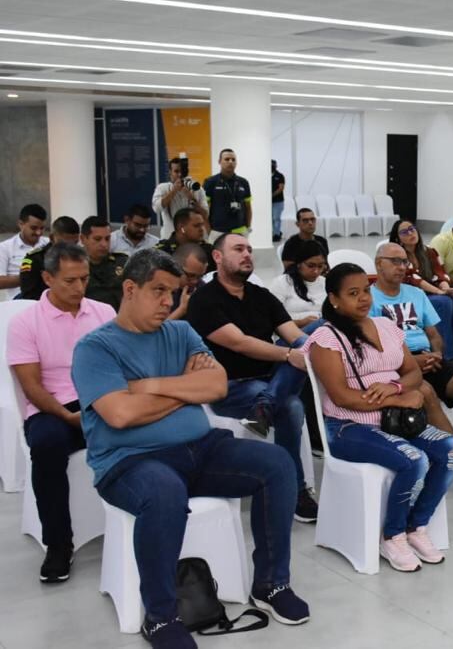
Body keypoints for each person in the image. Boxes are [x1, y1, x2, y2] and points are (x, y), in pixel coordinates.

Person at [71, 249, 310, 647]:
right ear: (129, 289)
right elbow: (120, 414)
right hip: (129, 463)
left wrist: (148, 386)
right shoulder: (96, 348)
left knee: (277, 463)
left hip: (201, 448)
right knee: (164, 490)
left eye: (174, 291)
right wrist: (185, 388)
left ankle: (271, 584)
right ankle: (161, 617)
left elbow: (215, 386)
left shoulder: (181, 333)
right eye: (159, 291)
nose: (169, 301)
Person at [305, 263, 453, 571]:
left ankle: (416, 526)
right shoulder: (327, 338)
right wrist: (402, 398)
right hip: (349, 427)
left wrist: (397, 387)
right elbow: (342, 396)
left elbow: (413, 372)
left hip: (395, 420)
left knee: (452, 451)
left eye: (366, 290)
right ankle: (392, 535)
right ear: (334, 299)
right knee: (414, 460)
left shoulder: (386, 326)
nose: (364, 298)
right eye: (353, 293)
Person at [186, 233, 319, 522]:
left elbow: (294, 335)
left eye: (249, 249)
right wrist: (289, 355)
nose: (247, 254)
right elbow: (239, 342)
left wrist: (310, 348)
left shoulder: (261, 296)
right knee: (292, 405)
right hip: (229, 387)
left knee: (314, 334)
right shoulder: (204, 300)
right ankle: (296, 491)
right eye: (238, 249)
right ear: (218, 257)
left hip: (269, 380)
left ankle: (265, 406)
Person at [7, 243, 116, 583]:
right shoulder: (25, 323)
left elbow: (120, 364)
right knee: (46, 446)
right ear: (47, 278)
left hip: (99, 399)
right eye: (70, 281)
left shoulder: (103, 313)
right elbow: (31, 386)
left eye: (84, 279)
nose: (79, 288)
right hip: (52, 407)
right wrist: (68, 417)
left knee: (148, 430)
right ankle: (58, 544)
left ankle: (143, 521)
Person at [371, 243, 453, 476]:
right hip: (397, 365)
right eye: (395, 261)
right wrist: (413, 361)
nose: (402, 267)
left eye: (405, 262)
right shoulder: (369, 300)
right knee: (426, 392)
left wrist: (436, 353)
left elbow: (434, 334)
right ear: (379, 264)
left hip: (429, 357)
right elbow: (377, 348)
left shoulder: (416, 294)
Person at [388, 219, 453, 360]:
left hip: (432, 292)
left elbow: (440, 273)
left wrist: (447, 290)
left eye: (412, 228)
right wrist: (439, 292)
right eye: (404, 232)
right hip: (412, 296)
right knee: (443, 302)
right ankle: (448, 355)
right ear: (397, 238)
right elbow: (415, 279)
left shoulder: (429, 251)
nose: (410, 233)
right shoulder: (400, 256)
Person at [269, 240, 327, 329]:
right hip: (291, 332)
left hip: (322, 330)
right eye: (311, 266)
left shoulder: (325, 282)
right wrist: (301, 322)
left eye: (320, 266)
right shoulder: (283, 282)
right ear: (299, 264)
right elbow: (271, 318)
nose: (316, 271)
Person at [19, 216, 80, 301]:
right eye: (65, 243)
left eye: (75, 243)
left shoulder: (81, 258)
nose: (70, 248)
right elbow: (29, 296)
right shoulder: (34, 260)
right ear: (52, 238)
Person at [152, 156, 207, 239]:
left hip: (192, 238)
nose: (180, 175)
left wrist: (192, 198)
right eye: (176, 171)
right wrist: (174, 191)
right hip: (170, 237)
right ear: (170, 172)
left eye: (182, 171)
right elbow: (156, 208)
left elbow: (205, 214)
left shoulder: (197, 189)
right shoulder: (162, 188)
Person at [80, 216, 129, 310]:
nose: (104, 244)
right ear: (82, 239)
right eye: (97, 239)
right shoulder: (75, 268)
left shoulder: (122, 263)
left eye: (107, 239)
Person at [0, 203, 48, 297]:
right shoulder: (4, 248)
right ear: (21, 224)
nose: (38, 232)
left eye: (42, 228)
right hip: (20, 299)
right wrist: (28, 277)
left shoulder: (48, 243)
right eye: (33, 228)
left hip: (47, 296)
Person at [203, 148, 252, 236]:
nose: (230, 162)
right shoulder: (210, 182)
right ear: (219, 161)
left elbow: (248, 207)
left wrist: (248, 227)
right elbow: (205, 209)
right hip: (217, 231)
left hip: (240, 231)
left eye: (233, 160)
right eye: (227, 159)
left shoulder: (243, 182)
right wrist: (209, 232)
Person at [155, 208, 215, 272]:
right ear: (182, 228)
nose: (202, 229)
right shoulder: (162, 251)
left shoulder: (209, 250)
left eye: (202, 225)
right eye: (196, 226)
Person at [168, 244, 208, 321]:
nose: (195, 281)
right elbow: (153, 328)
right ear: (174, 267)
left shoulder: (203, 289)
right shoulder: (157, 287)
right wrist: (181, 310)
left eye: (200, 276)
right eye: (190, 275)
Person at [271, 159, 286, 242]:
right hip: (268, 202)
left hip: (278, 201)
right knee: (270, 219)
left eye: (273, 164)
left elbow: (281, 188)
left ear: (276, 166)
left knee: (276, 218)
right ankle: (274, 233)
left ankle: (276, 235)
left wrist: (271, 195)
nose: (271, 166)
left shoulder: (280, 176)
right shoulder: (265, 175)